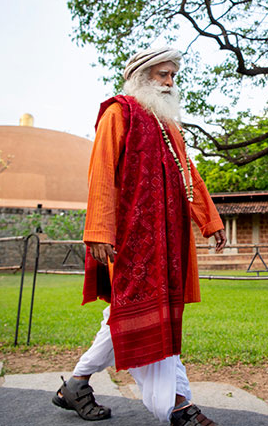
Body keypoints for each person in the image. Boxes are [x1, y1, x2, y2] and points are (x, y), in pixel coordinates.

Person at [52, 46, 226, 426]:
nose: (168, 83)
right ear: (141, 76)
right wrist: (99, 230)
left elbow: (189, 177)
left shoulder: (169, 127)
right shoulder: (119, 113)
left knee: (143, 312)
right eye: (162, 75)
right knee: (142, 311)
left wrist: (210, 220)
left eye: (172, 76)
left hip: (168, 241)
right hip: (130, 239)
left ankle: (77, 383)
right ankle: (178, 405)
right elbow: (100, 172)